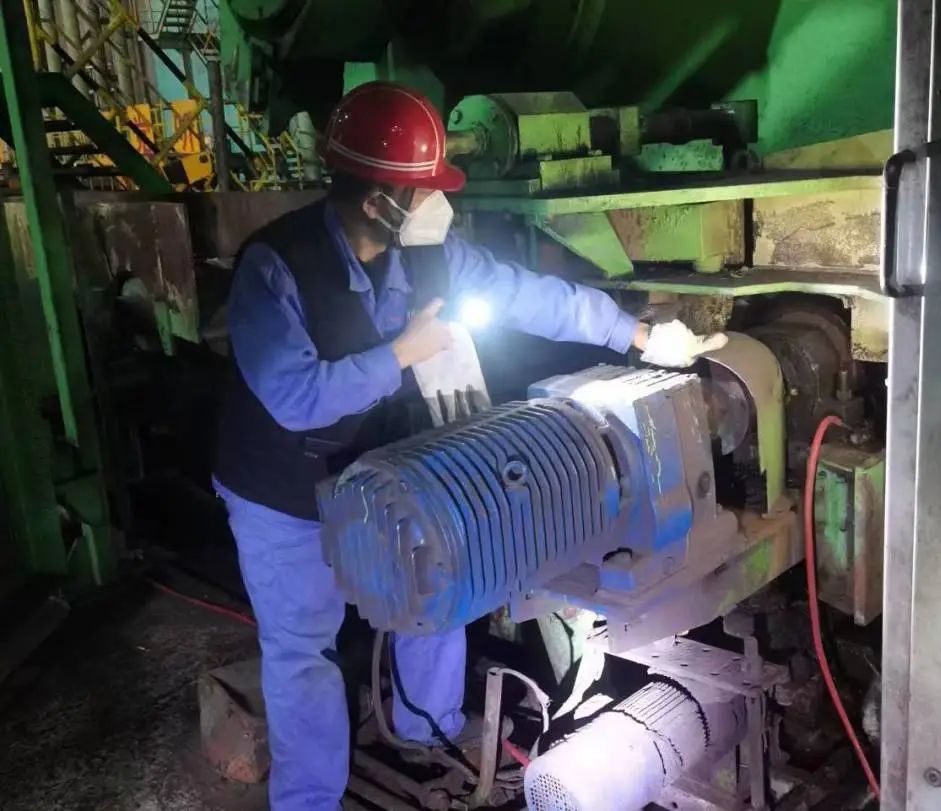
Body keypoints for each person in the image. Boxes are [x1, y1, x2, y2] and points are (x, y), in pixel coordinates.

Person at [213, 81, 723, 810]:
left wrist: (639, 336)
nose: (438, 202)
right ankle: (307, 801)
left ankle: (428, 730)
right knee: (303, 650)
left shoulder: (429, 254)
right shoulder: (274, 267)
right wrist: (403, 352)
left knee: (434, 591)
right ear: (378, 201)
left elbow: (531, 295)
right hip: (279, 487)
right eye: (425, 190)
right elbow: (295, 398)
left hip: (376, 467)